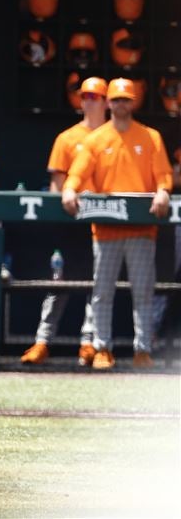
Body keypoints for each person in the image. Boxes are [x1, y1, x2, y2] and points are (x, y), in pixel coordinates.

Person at [62, 78, 172, 370]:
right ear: (108, 103)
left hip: (141, 229)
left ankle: (142, 350)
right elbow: (77, 172)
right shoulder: (96, 139)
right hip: (106, 229)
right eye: (116, 99)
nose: (121, 104)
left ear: (133, 102)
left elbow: (163, 176)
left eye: (126, 99)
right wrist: (70, 189)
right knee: (102, 292)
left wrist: (163, 192)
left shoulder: (151, 137)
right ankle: (102, 348)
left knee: (143, 291)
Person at [20, 77, 105, 367]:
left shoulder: (114, 136)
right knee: (59, 284)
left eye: (96, 95)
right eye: (85, 96)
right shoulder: (67, 138)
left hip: (105, 224)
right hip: (71, 222)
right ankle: (43, 341)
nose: (89, 100)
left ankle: (88, 343)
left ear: (107, 101)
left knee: (98, 286)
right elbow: (57, 186)